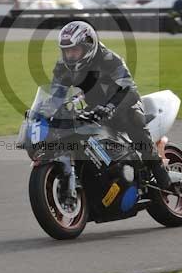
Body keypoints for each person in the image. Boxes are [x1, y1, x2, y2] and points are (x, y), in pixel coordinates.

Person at [51, 21, 173, 189]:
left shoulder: (108, 58)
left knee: (132, 118)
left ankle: (156, 167)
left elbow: (129, 88)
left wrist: (109, 108)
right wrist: (47, 112)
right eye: (67, 51)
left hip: (122, 102)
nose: (70, 56)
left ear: (88, 46)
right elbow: (55, 96)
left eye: (75, 50)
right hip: (94, 107)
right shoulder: (63, 67)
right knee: (71, 127)